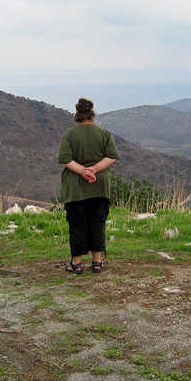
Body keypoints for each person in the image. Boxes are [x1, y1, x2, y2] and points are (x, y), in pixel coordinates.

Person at [57, 98, 119, 274]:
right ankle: (97, 262)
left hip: (75, 188)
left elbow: (65, 159)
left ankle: (76, 264)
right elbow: (111, 156)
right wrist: (94, 169)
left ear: (77, 116)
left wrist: (83, 171)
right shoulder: (104, 134)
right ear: (93, 115)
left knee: (77, 224)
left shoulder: (69, 134)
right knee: (97, 222)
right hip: (100, 186)